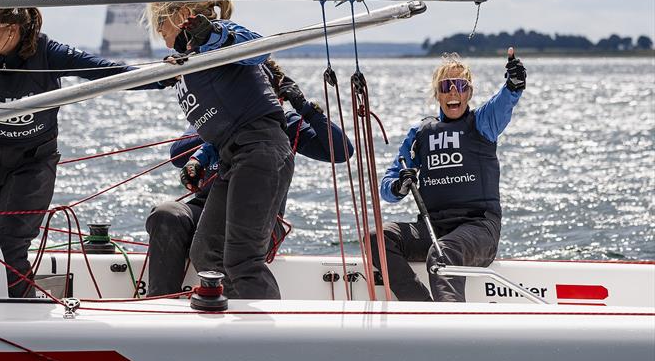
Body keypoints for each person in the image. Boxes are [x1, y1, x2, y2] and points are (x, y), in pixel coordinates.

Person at [0, 7, 158, 297]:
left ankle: (24, 313)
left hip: (32, 164)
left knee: (9, 245)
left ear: (13, 29)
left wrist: (171, 74)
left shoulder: (49, 53)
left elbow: (111, 72)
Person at [146, 61, 353, 297]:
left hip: (257, 215)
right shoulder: (214, 119)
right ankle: (162, 304)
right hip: (208, 209)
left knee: (227, 249)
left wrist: (305, 107)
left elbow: (341, 151)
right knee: (166, 214)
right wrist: (222, 134)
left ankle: (245, 316)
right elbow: (177, 154)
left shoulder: (282, 124)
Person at [145, 0, 294, 299]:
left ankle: (275, 337)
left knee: (241, 260)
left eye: (161, 25)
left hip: (259, 148)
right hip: (232, 156)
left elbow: (259, 49)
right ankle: (229, 328)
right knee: (206, 253)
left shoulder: (220, 36)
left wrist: (212, 35)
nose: (160, 35)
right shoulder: (186, 63)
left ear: (181, 16)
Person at [371, 48, 526, 302]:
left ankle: (451, 323)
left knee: (443, 251)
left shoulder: (483, 123)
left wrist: (514, 83)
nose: (453, 92)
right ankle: (422, 309)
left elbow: (505, 99)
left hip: (479, 229)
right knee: (377, 237)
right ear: (437, 94)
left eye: (460, 86)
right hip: (433, 227)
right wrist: (399, 185)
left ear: (469, 92)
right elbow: (387, 186)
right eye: (446, 86)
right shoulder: (420, 133)